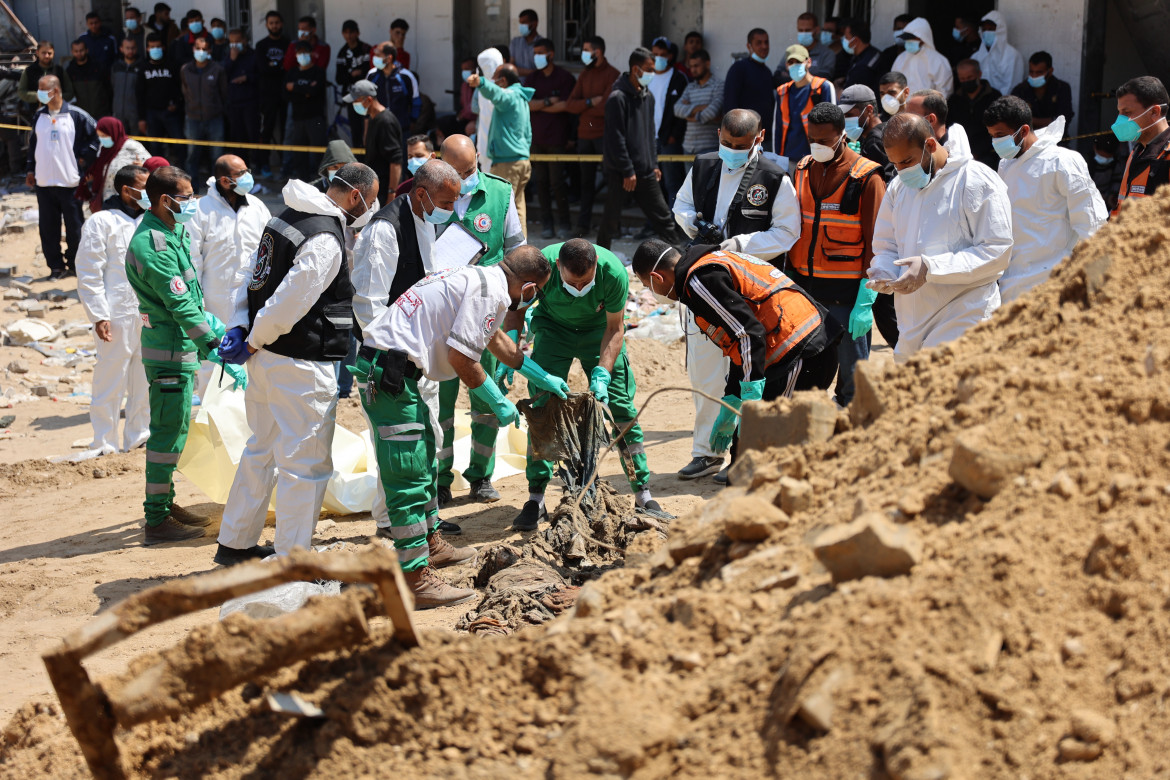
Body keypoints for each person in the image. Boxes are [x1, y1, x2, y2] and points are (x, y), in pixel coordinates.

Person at [356, 249, 558, 606]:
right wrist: (497, 400)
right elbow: (462, 359)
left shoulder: (480, 278)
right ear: (528, 286)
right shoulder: (489, 292)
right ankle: (415, 579)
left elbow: (496, 341)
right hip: (388, 376)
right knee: (407, 473)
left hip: (398, 372)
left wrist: (539, 374)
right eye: (536, 292)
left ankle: (431, 545)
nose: (533, 298)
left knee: (425, 458)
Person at [214, 163, 378, 565]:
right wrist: (252, 337)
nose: (370, 211)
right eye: (370, 202)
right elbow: (290, 300)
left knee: (261, 450)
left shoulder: (284, 217)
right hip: (300, 363)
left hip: (268, 358)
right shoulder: (325, 237)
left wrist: (242, 327)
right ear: (355, 196)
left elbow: (251, 276)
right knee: (305, 465)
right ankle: (293, 559)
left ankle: (235, 543)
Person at [631, 238, 836, 477]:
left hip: (802, 350)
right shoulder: (705, 269)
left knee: (764, 454)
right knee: (747, 456)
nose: (650, 291)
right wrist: (732, 400)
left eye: (646, 286)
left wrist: (749, 392)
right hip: (789, 349)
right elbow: (740, 346)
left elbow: (749, 334)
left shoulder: (700, 281)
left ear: (657, 278)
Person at [672, 108, 798, 481]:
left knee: (748, 373)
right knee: (705, 372)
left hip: (748, 288)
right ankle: (705, 452)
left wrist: (740, 244)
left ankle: (742, 457)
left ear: (758, 139)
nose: (730, 150)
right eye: (725, 142)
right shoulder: (705, 165)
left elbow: (788, 232)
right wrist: (696, 224)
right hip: (705, 282)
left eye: (739, 146)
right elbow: (681, 206)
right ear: (718, 134)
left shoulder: (775, 177)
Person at [504, 239, 661, 529]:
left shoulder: (613, 273)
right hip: (553, 329)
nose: (579, 290)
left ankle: (643, 493)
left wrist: (603, 372)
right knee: (542, 408)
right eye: (572, 283)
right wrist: (511, 344)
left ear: (595, 269)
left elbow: (615, 328)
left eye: (585, 283)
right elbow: (517, 307)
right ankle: (536, 498)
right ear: (558, 268)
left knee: (621, 408)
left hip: (598, 331)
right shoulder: (542, 266)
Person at [125, 165, 235, 544]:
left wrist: (216, 328)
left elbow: (191, 296)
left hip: (180, 348)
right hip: (170, 352)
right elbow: (179, 307)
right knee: (167, 437)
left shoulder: (172, 231)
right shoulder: (150, 245)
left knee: (176, 431)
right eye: (186, 197)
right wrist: (214, 348)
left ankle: (165, 501)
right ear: (164, 200)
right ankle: (156, 520)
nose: (192, 203)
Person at [351, 160, 458, 536]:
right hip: (390, 362)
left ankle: (423, 520)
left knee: (427, 438)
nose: (450, 209)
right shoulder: (384, 231)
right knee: (399, 448)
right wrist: (395, 354)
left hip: (416, 355)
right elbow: (368, 305)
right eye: (446, 201)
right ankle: (394, 523)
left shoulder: (424, 221)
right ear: (422, 194)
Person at [865, 113, 1013, 362]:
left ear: (930, 145)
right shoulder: (899, 188)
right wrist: (884, 271)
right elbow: (887, 245)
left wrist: (930, 267)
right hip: (912, 321)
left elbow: (996, 251)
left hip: (965, 315)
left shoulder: (977, 180)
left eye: (907, 161)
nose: (901, 170)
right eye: (895, 163)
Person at [433, 136, 525, 505]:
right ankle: (439, 479)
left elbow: (518, 255)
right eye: (458, 173)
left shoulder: (501, 194)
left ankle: (481, 476)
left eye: (471, 171)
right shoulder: (428, 193)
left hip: (487, 316)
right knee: (440, 404)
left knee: (486, 401)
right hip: (440, 314)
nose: (465, 179)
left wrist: (517, 323)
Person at [785, 103, 886, 407]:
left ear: (842, 136)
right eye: (813, 140)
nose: (818, 147)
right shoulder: (802, 170)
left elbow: (877, 245)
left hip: (847, 295)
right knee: (807, 369)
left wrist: (865, 302)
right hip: (806, 290)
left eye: (825, 141)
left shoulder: (866, 177)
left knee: (852, 375)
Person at [984, 96, 1106, 304]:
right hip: (1011, 283)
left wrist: (1098, 282)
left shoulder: (1063, 161)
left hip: (1054, 282)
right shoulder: (1006, 164)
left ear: (1023, 131)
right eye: (992, 136)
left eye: (1000, 135)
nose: (995, 142)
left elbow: (1092, 223)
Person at [76, 164, 151, 456]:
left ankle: (139, 435)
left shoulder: (152, 221)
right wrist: (98, 315)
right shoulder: (101, 222)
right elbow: (89, 271)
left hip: (148, 313)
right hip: (115, 314)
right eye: (144, 188)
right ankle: (104, 441)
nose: (150, 193)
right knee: (110, 379)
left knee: (144, 378)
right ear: (126, 190)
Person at [190, 154, 272, 397]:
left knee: (253, 359)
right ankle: (211, 423)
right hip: (214, 301)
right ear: (225, 181)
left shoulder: (257, 207)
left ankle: (246, 425)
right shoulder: (201, 210)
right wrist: (197, 302)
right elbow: (193, 260)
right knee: (212, 362)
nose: (248, 176)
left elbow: (270, 250)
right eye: (241, 173)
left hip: (252, 298)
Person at [595, 48, 688, 250]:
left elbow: (649, 133)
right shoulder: (617, 98)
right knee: (611, 219)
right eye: (648, 69)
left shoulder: (648, 97)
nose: (651, 74)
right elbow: (615, 138)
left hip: (646, 171)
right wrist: (627, 170)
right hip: (621, 173)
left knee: (664, 218)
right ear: (635, 69)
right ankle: (599, 259)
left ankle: (680, 262)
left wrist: (653, 163)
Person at [26, 75, 97, 280]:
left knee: (75, 226)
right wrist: (31, 170)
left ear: (55, 91)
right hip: (44, 181)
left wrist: (83, 159)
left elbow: (95, 137)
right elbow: (33, 145)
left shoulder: (76, 115)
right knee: (48, 227)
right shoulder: (39, 115)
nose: (38, 93)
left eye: (42, 89)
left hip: (70, 182)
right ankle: (56, 267)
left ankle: (76, 264)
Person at [467, 64, 533, 235]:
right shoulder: (521, 98)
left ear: (503, 81)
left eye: (494, 79)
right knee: (517, 210)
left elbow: (498, 95)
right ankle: (521, 254)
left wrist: (481, 82)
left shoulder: (510, 95)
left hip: (508, 163)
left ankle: (511, 255)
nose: (493, 82)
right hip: (521, 161)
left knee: (501, 210)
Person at [566, 35, 620, 237]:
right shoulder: (584, 75)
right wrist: (589, 103)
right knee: (585, 184)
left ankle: (613, 226)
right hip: (584, 135)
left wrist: (585, 107)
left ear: (598, 52)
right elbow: (570, 105)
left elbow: (607, 108)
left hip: (604, 136)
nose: (584, 53)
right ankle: (583, 225)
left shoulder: (613, 74)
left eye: (587, 49)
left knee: (611, 182)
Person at [525, 37, 576, 238]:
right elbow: (528, 104)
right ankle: (547, 224)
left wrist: (541, 104)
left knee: (557, 183)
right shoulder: (532, 79)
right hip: (536, 140)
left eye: (540, 53)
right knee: (542, 183)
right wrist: (548, 101)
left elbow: (565, 105)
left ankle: (564, 223)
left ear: (551, 54)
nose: (536, 57)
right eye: (534, 53)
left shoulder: (564, 77)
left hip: (557, 139)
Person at [1109, 76, 1169, 217]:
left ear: (1154, 112)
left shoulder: (1167, 155)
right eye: (1119, 112)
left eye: (1127, 112)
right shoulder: (1137, 151)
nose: (1120, 120)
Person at [773, 44, 836, 169]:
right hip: (789, 160)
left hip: (817, 160)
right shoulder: (783, 92)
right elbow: (777, 129)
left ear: (809, 62)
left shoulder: (823, 87)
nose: (795, 65)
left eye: (799, 61)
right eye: (791, 62)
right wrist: (778, 160)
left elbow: (835, 126)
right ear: (786, 65)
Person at [344, 79, 402, 205]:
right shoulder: (372, 118)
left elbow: (396, 161)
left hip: (385, 189)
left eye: (356, 101)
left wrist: (391, 193)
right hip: (375, 187)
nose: (354, 104)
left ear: (369, 100)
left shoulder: (386, 121)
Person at [646, 37, 688, 209]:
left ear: (670, 56)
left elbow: (682, 110)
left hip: (668, 140)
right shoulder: (646, 77)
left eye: (663, 55)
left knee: (672, 183)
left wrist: (674, 136)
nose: (658, 58)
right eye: (655, 54)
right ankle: (654, 225)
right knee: (652, 186)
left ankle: (673, 225)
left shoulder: (679, 78)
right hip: (648, 140)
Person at [181, 37, 227, 178]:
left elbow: (224, 93)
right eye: (198, 48)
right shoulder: (185, 69)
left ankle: (218, 188)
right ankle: (191, 188)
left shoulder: (218, 69)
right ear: (193, 49)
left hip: (214, 118)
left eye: (204, 49)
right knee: (192, 155)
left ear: (210, 51)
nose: (201, 52)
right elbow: (185, 91)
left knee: (217, 156)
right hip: (193, 118)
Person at [722, 29, 774, 150]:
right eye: (759, 43)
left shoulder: (767, 72)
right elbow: (730, 104)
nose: (764, 46)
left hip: (764, 139)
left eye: (766, 42)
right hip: (744, 140)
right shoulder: (739, 68)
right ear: (749, 46)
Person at [83, 117, 148, 212]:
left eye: (105, 135)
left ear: (114, 132)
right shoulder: (103, 148)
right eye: (100, 136)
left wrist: (143, 166)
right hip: (107, 201)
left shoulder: (132, 147)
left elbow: (150, 167)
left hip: (128, 204)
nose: (103, 139)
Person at [285, 40, 327, 181]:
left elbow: (314, 91)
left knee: (318, 153)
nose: (302, 55)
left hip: (315, 117)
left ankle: (321, 181)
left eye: (305, 52)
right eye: (299, 52)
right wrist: (305, 91)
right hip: (298, 118)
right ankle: (302, 180)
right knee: (299, 154)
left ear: (311, 54)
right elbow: (286, 94)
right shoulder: (292, 72)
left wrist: (295, 88)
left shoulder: (318, 72)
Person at [949, 60, 1002, 169]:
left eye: (969, 78)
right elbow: (950, 128)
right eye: (962, 79)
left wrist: (978, 152)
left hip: (989, 153)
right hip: (961, 155)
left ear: (979, 74)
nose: (966, 81)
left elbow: (999, 128)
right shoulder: (954, 100)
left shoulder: (994, 97)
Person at [839, 85, 895, 181]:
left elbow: (884, 181)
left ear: (869, 110)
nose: (845, 120)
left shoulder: (875, 141)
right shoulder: (887, 130)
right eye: (843, 115)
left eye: (849, 115)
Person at [256, 11, 289, 173]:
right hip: (267, 95)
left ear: (281, 24)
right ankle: (264, 163)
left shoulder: (288, 43)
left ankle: (285, 163)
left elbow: (288, 67)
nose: (274, 26)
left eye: (277, 22)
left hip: (285, 94)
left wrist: (273, 66)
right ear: (267, 25)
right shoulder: (261, 45)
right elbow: (262, 68)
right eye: (271, 23)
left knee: (286, 130)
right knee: (266, 129)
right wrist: (278, 67)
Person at [222, 29, 260, 170]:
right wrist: (232, 59)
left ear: (244, 40)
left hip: (250, 102)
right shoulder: (229, 56)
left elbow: (261, 77)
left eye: (237, 41)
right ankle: (241, 167)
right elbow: (223, 74)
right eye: (232, 42)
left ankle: (258, 164)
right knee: (237, 137)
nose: (235, 45)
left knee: (253, 135)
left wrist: (247, 78)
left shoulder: (253, 55)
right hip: (234, 103)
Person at [674, 49, 723, 156]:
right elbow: (677, 109)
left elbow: (712, 112)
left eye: (696, 66)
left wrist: (689, 115)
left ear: (707, 64)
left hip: (709, 147)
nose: (693, 70)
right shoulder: (690, 87)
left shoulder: (719, 85)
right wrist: (701, 107)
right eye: (691, 66)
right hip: (688, 147)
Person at [1010, 52, 1074, 130]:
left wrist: (1029, 121)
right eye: (1031, 72)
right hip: (1028, 139)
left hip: (1055, 139)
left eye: (1039, 72)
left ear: (1050, 71)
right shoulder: (1020, 90)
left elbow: (1062, 120)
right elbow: (1013, 119)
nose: (1034, 76)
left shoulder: (1062, 88)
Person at [138, 32, 182, 138]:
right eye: (152, 47)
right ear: (147, 48)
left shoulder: (172, 66)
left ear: (163, 47)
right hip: (151, 113)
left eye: (158, 46)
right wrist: (142, 118)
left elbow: (180, 87)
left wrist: (176, 104)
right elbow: (139, 94)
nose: (155, 49)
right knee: (155, 145)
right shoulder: (143, 68)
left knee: (179, 143)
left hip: (170, 111)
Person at [893, 18, 952, 96]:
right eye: (907, 39)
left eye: (911, 38)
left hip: (929, 107)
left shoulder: (938, 60)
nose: (908, 41)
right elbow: (893, 84)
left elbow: (944, 90)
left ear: (922, 38)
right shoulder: (901, 59)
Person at [906, 89, 972, 160]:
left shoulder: (955, 155)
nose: (905, 121)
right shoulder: (909, 148)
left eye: (911, 116)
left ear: (931, 120)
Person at [972, 11, 1024, 98]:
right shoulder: (975, 57)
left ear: (1000, 30)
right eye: (984, 29)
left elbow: (1011, 86)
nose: (986, 32)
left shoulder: (1012, 56)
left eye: (991, 29)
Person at [336, 19, 371, 146]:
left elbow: (369, 72)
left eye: (351, 32)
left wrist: (359, 74)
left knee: (369, 130)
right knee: (356, 130)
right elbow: (339, 78)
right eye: (345, 32)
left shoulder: (366, 49)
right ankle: (359, 163)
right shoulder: (342, 52)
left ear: (358, 33)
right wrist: (352, 75)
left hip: (367, 97)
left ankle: (371, 160)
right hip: (352, 98)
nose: (349, 36)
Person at [66, 40, 112, 120]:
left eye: (81, 50)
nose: (79, 53)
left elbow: (109, 88)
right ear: (72, 52)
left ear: (87, 50)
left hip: (101, 113)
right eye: (76, 51)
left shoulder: (99, 67)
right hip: (82, 115)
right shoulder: (70, 70)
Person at [19, 42, 74, 107]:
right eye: (43, 53)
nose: (47, 56)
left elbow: (70, 92)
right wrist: (38, 96)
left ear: (53, 53)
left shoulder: (59, 70)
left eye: (49, 53)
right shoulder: (29, 71)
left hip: (58, 112)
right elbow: (21, 91)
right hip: (36, 111)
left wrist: (56, 97)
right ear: (37, 53)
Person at [111, 37, 143, 133]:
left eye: (133, 48)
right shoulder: (116, 67)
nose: (130, 51)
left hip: (135, 113)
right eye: (127, 48)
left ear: (136, 49)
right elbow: (112, 87)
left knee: (137, 143)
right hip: (118, 113)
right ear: (121, 49)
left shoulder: (142, 66)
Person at [841, 19, 883, 92]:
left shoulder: (865, 66)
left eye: (846, 38)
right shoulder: (862, 55)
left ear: (856, 40)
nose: (844, 40)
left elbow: (846, 95)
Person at [791, 12, 837, 79]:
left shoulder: (827, 54)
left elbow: (824, 77)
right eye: (800, 30)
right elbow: (777, 76)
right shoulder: (792, 52)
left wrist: (794, 75)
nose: (804, 33)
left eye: (807, 30)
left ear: (817, 30)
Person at [1088, 134, 1126, 213]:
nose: (1105, 160)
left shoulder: (1116, 164)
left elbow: (1117, 181)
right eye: (1102, 157)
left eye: (1108, 158)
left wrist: (1111, 196)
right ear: (1095, 148)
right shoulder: (1085, 162)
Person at [510, 9, 540, 76]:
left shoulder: (542, 43)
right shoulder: (515, 42)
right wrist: (533, 73)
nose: (521, 26)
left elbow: (543, 70)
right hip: (519, 84)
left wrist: (520, 71)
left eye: (524, 23)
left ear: (534, 24)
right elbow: (511, 68)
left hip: (536, 84)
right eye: (520, 23)